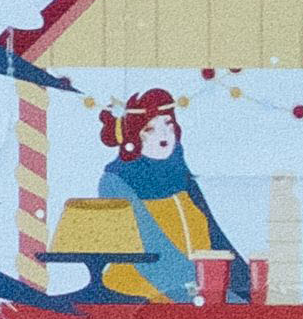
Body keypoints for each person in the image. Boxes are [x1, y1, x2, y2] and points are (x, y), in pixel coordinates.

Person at [88, 89, 249, 304]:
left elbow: (216, 241)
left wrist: (248, 291)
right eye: (150, 129)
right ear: (133, 136)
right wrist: (217, 300)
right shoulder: (116, 182)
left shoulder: (180, 176)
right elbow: (152, 254)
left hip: (200, 296)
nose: (164, 134)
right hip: (141, 295)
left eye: (168, 124)